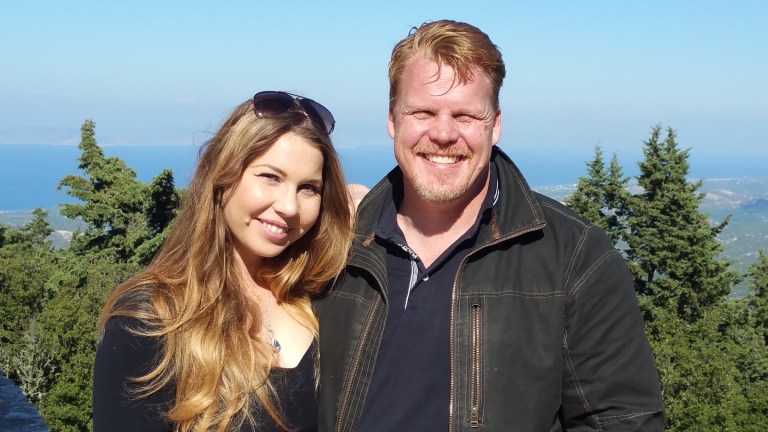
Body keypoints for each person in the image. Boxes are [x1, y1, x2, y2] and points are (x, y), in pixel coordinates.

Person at [314, 20, 665, 431]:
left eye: (465, 115)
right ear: (393, 119)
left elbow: (623, 420)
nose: (443, 133)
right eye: (423, 111)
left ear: (494, 125)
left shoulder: (574, 256)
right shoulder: (335, 241)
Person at [93, 91, 353, 432]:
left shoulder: (323, 296)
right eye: (270, 177)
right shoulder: (152, 319)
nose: (289, 207)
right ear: (222, 176)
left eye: (308, 188)